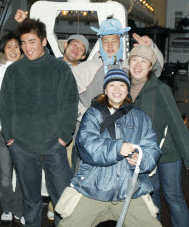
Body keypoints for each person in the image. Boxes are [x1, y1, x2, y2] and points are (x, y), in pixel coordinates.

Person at [57, 69, 162, 227]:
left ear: (127, 89)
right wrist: (117, 148)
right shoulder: (92, 114)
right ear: (105, 90)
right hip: (94, 189)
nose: (117, 89)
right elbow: (87, 145)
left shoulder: (140, 116)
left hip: (129, 191)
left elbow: (152, 147)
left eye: (121, 85)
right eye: (112, 85)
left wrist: (141, 159)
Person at [0, 18, 78, 227]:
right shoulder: (14, 71)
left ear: (43, 41)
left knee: (63, 199)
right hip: (22, 147)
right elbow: (5, 107)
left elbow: (70, 105)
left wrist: (64, 137)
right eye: (23, 43)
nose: (27, 47)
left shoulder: (60, 69)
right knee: (30, 200)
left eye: (32, 42)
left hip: (54, 145)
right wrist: (10, 140)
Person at [128, 44, 189, 227]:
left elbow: (176, 122)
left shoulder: (159, 89)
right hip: (145, 155)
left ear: (151, 67)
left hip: (167, 153)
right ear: (128, 63)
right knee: (153, 194)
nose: (138, 64)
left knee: (173, 196)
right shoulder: (124, 89)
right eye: (134, 59)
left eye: (143, 61)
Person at [0, 32, 25, 225]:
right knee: (4, 176)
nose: (12, 50)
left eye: (16, 46)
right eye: (9, 46)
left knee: (21, 174)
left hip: (22, 132)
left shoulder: (28, 70)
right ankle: (7, 207)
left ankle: (19, 209)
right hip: (0, 130)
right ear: (3, 49)